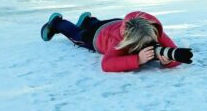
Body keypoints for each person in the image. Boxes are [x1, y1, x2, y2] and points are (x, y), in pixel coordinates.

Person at [40, 11, 184, 72]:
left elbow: (175, 51)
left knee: (95, 25)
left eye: (150, 42)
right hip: (98, 36)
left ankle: (88, 21)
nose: (149, 45)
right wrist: (137, 59)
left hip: (116, 23)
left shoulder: (152, 30)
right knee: (78, 36)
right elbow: (106, 64)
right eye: (141, 45)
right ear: (129, 41)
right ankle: (58, 23)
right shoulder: (119, 42)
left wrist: (168, 61)